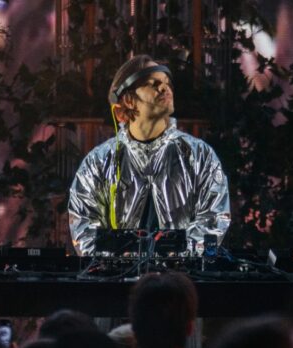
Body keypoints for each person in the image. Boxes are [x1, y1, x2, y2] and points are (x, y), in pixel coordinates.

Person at [68, 54, 230, 255]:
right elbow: (84, 225)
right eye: (154, 84)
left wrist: (178, 259)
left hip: (181, 274)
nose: (165, 89)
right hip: (119, 276)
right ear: (128, 100)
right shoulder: (99, 162)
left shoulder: (199, 155)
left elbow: (213, 219)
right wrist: (118, 261)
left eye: (167, 83)